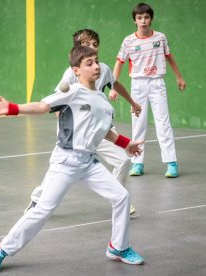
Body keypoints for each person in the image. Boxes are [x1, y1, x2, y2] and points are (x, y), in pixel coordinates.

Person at [0, 46, 145, 273]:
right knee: (42, 210)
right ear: (76, 70)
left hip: (89, 163)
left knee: (121, 197)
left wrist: (126, 144)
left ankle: (118, 247)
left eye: (96, 61)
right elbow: (41, 106)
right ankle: (1, 250)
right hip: (65, 162)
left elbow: (105, 132)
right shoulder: (72, 92)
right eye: (89, 63)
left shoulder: (103, 101)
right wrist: (12, 108)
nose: (96, 66)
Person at [25, 29, 141, 215]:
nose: (92, 47)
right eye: (87, 44)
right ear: (78, 49)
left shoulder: (102, 69)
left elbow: (115, 84)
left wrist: (133, 102)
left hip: (101, 130)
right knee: (58, 174)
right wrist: (68, 130)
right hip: (77, 135)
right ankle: (37, 201)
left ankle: (117, 200)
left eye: (95, 45)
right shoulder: (71, 74)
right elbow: (57, 103)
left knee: (123, 160)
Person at [113, 3, 186, 178]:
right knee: (138, 124)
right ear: (134, 21)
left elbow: (169, 57)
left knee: (163, 123)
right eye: (139, 18)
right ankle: (137, 163)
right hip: (137, 85)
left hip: (157, 83)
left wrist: (179, 76)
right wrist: (113, 86)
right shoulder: (128, 41)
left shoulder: (160, 38)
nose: (143, 21)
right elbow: (119, 62)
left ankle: (171, 163)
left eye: (146, 17)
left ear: (151, 19)